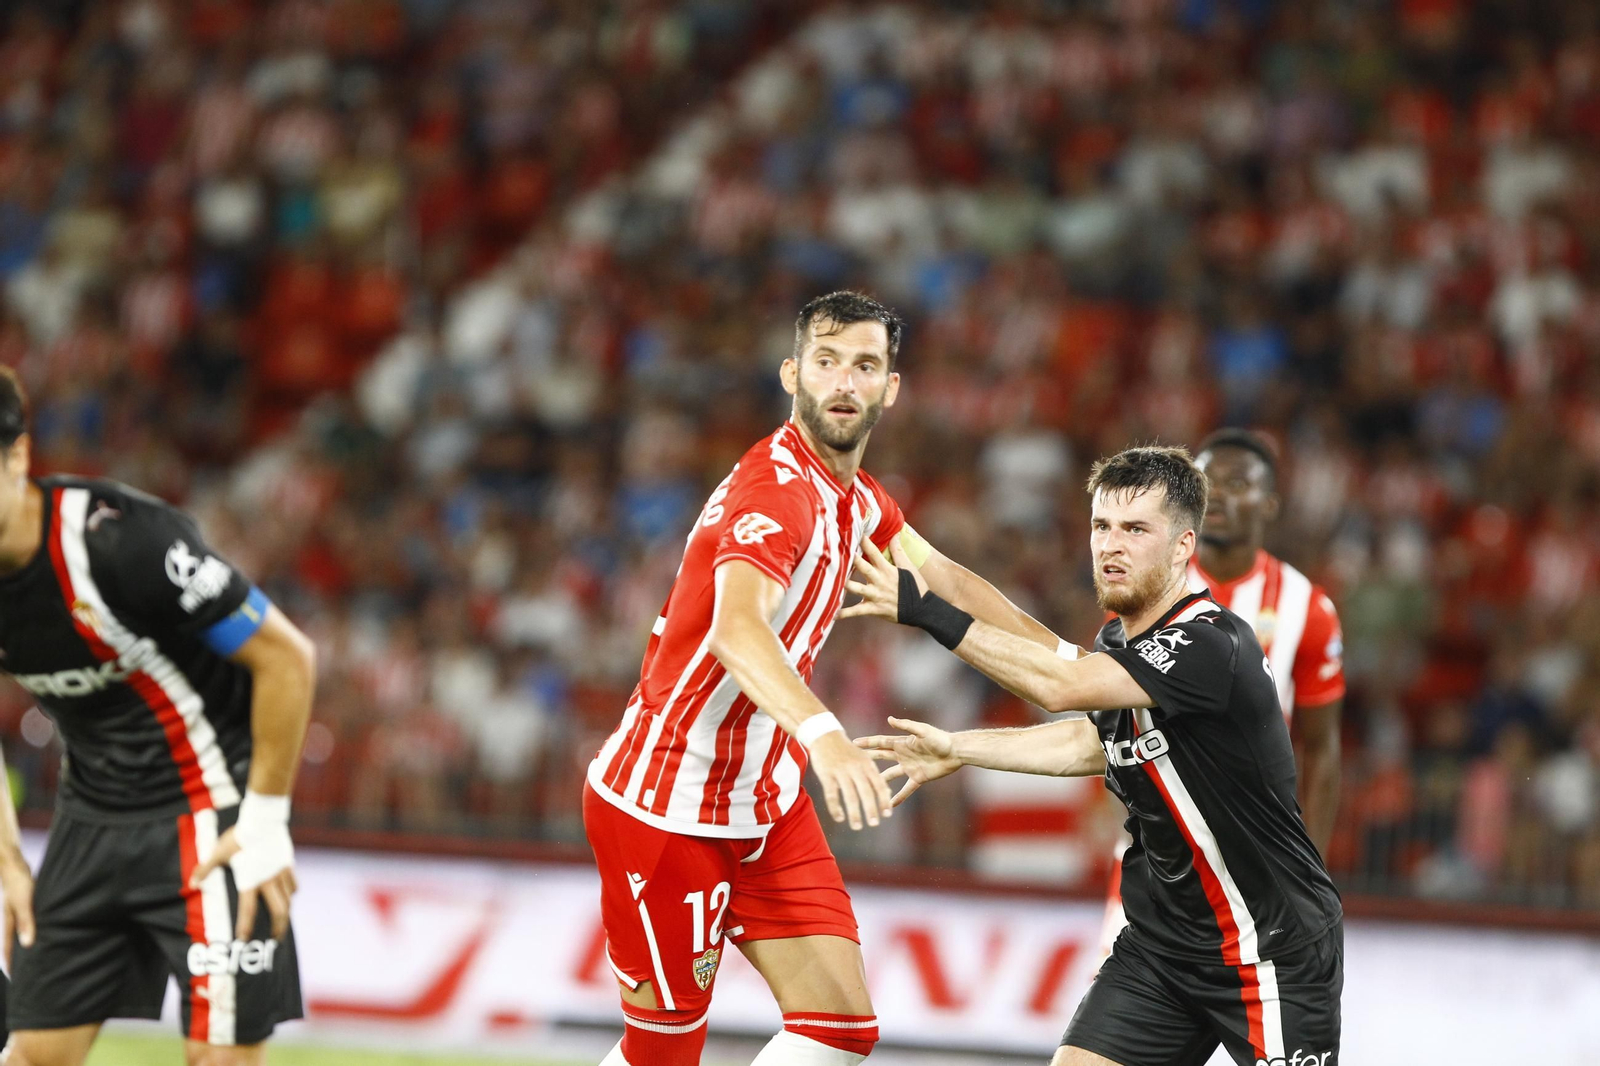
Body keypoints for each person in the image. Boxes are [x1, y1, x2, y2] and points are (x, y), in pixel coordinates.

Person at [584, 291, 1066, 1066]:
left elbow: (944, 578)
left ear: (891, 388)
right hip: (668, 804)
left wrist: (1070, 663)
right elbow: (735, 630)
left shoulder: (857, 498)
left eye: (865, 365)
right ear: (791, 373)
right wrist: (826, 738)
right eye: (827, 361)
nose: (844, 382)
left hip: (763, 802)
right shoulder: (777, 493)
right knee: (665, 1050)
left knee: (839, 1030)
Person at [847, 445, 1344, 1066]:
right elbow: (1089, 738)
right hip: (1162, 947)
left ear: (1184, 546)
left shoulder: (1212, 644)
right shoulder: (1119, 644)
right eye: (1101, 526)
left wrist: (924, 611)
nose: (1112, 545)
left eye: (1136, 529)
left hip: (1271, 949)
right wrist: (961, 747)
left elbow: (1057, 686)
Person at [0, 366, 315, 1066]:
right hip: (89, 822)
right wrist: (10, 864)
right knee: (33, 1057)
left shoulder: (121, 542)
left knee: (221, 1059)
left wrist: (265, 818)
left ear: (18, 455)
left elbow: (286, 659)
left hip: (207, 814)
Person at [1098, 428, 1345, 959]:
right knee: (1113, 1007)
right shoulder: (1146, 587)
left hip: (1252, 857)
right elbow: (1111, 716)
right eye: (1210, 481)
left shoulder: (1308, 609)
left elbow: (1322, 749)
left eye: (1239, 482)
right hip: (1157, 848)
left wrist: (1308, 872)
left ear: (1270, 503)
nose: (1222, 494)